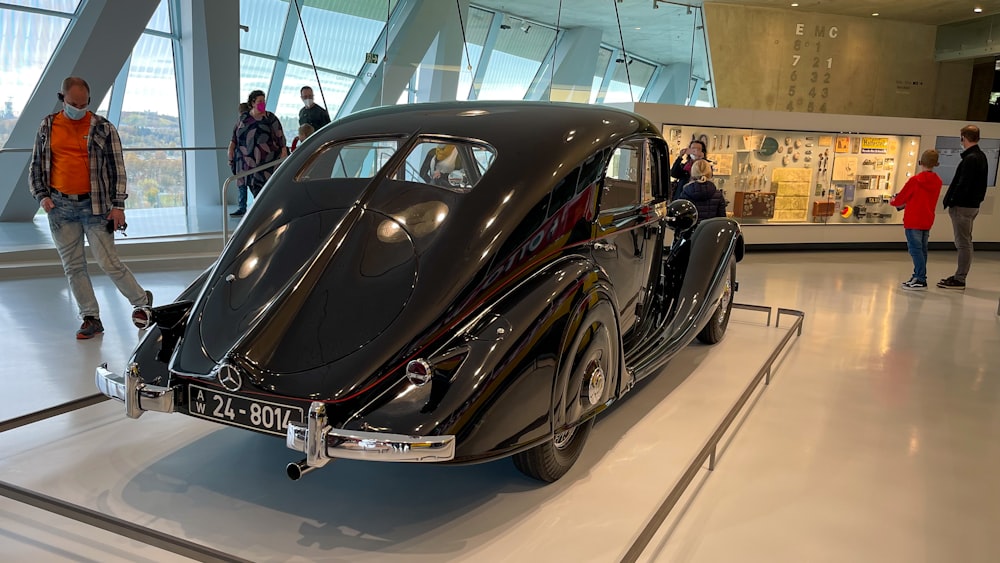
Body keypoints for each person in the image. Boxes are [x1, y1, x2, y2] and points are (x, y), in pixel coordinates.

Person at [28, 76, 152, 339]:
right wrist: (42, 196)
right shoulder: (48, 126)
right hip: (60, 207)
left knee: (108, 262)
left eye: (84, 104)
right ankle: (90, 317)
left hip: (96, 207)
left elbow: (118, 169)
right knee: (73, 266)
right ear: (62, 99)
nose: (79, 109)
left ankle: (142, 302)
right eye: (74, 103)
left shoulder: (103, 128)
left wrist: (118, 206)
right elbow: (37, 164)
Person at [939, 124, 989, 289]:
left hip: (963, 206)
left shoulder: (971, 159)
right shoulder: (980, 157)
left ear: (963, 138)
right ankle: (959, 276)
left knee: (963, 242)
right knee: (964, 241)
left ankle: (960, 278)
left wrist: (953, 200)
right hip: (971, 205)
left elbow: (963, 184)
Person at [228, 90, 288, 217]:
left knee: (263, 189)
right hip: (245, 161)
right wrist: (231, 151)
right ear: (252, 103)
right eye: (260, 101)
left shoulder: (270, 118)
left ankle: (264, 213)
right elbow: (235, 137)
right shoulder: (244, 119)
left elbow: (280, 137)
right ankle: (252, 211)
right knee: (247, 185)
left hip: (266, 161)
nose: (263, 104)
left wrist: (283, 153)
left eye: (264, 101)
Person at [890, 149, 943, 291]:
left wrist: (893, 200)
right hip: (927, 219)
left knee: (915, 250)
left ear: (920, 162)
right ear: (936, 164)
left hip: (913, 220)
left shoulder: (915, 181)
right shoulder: (938, 181)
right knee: (922, 250)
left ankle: (920, 278)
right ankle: (917, 275)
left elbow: (901, 199)